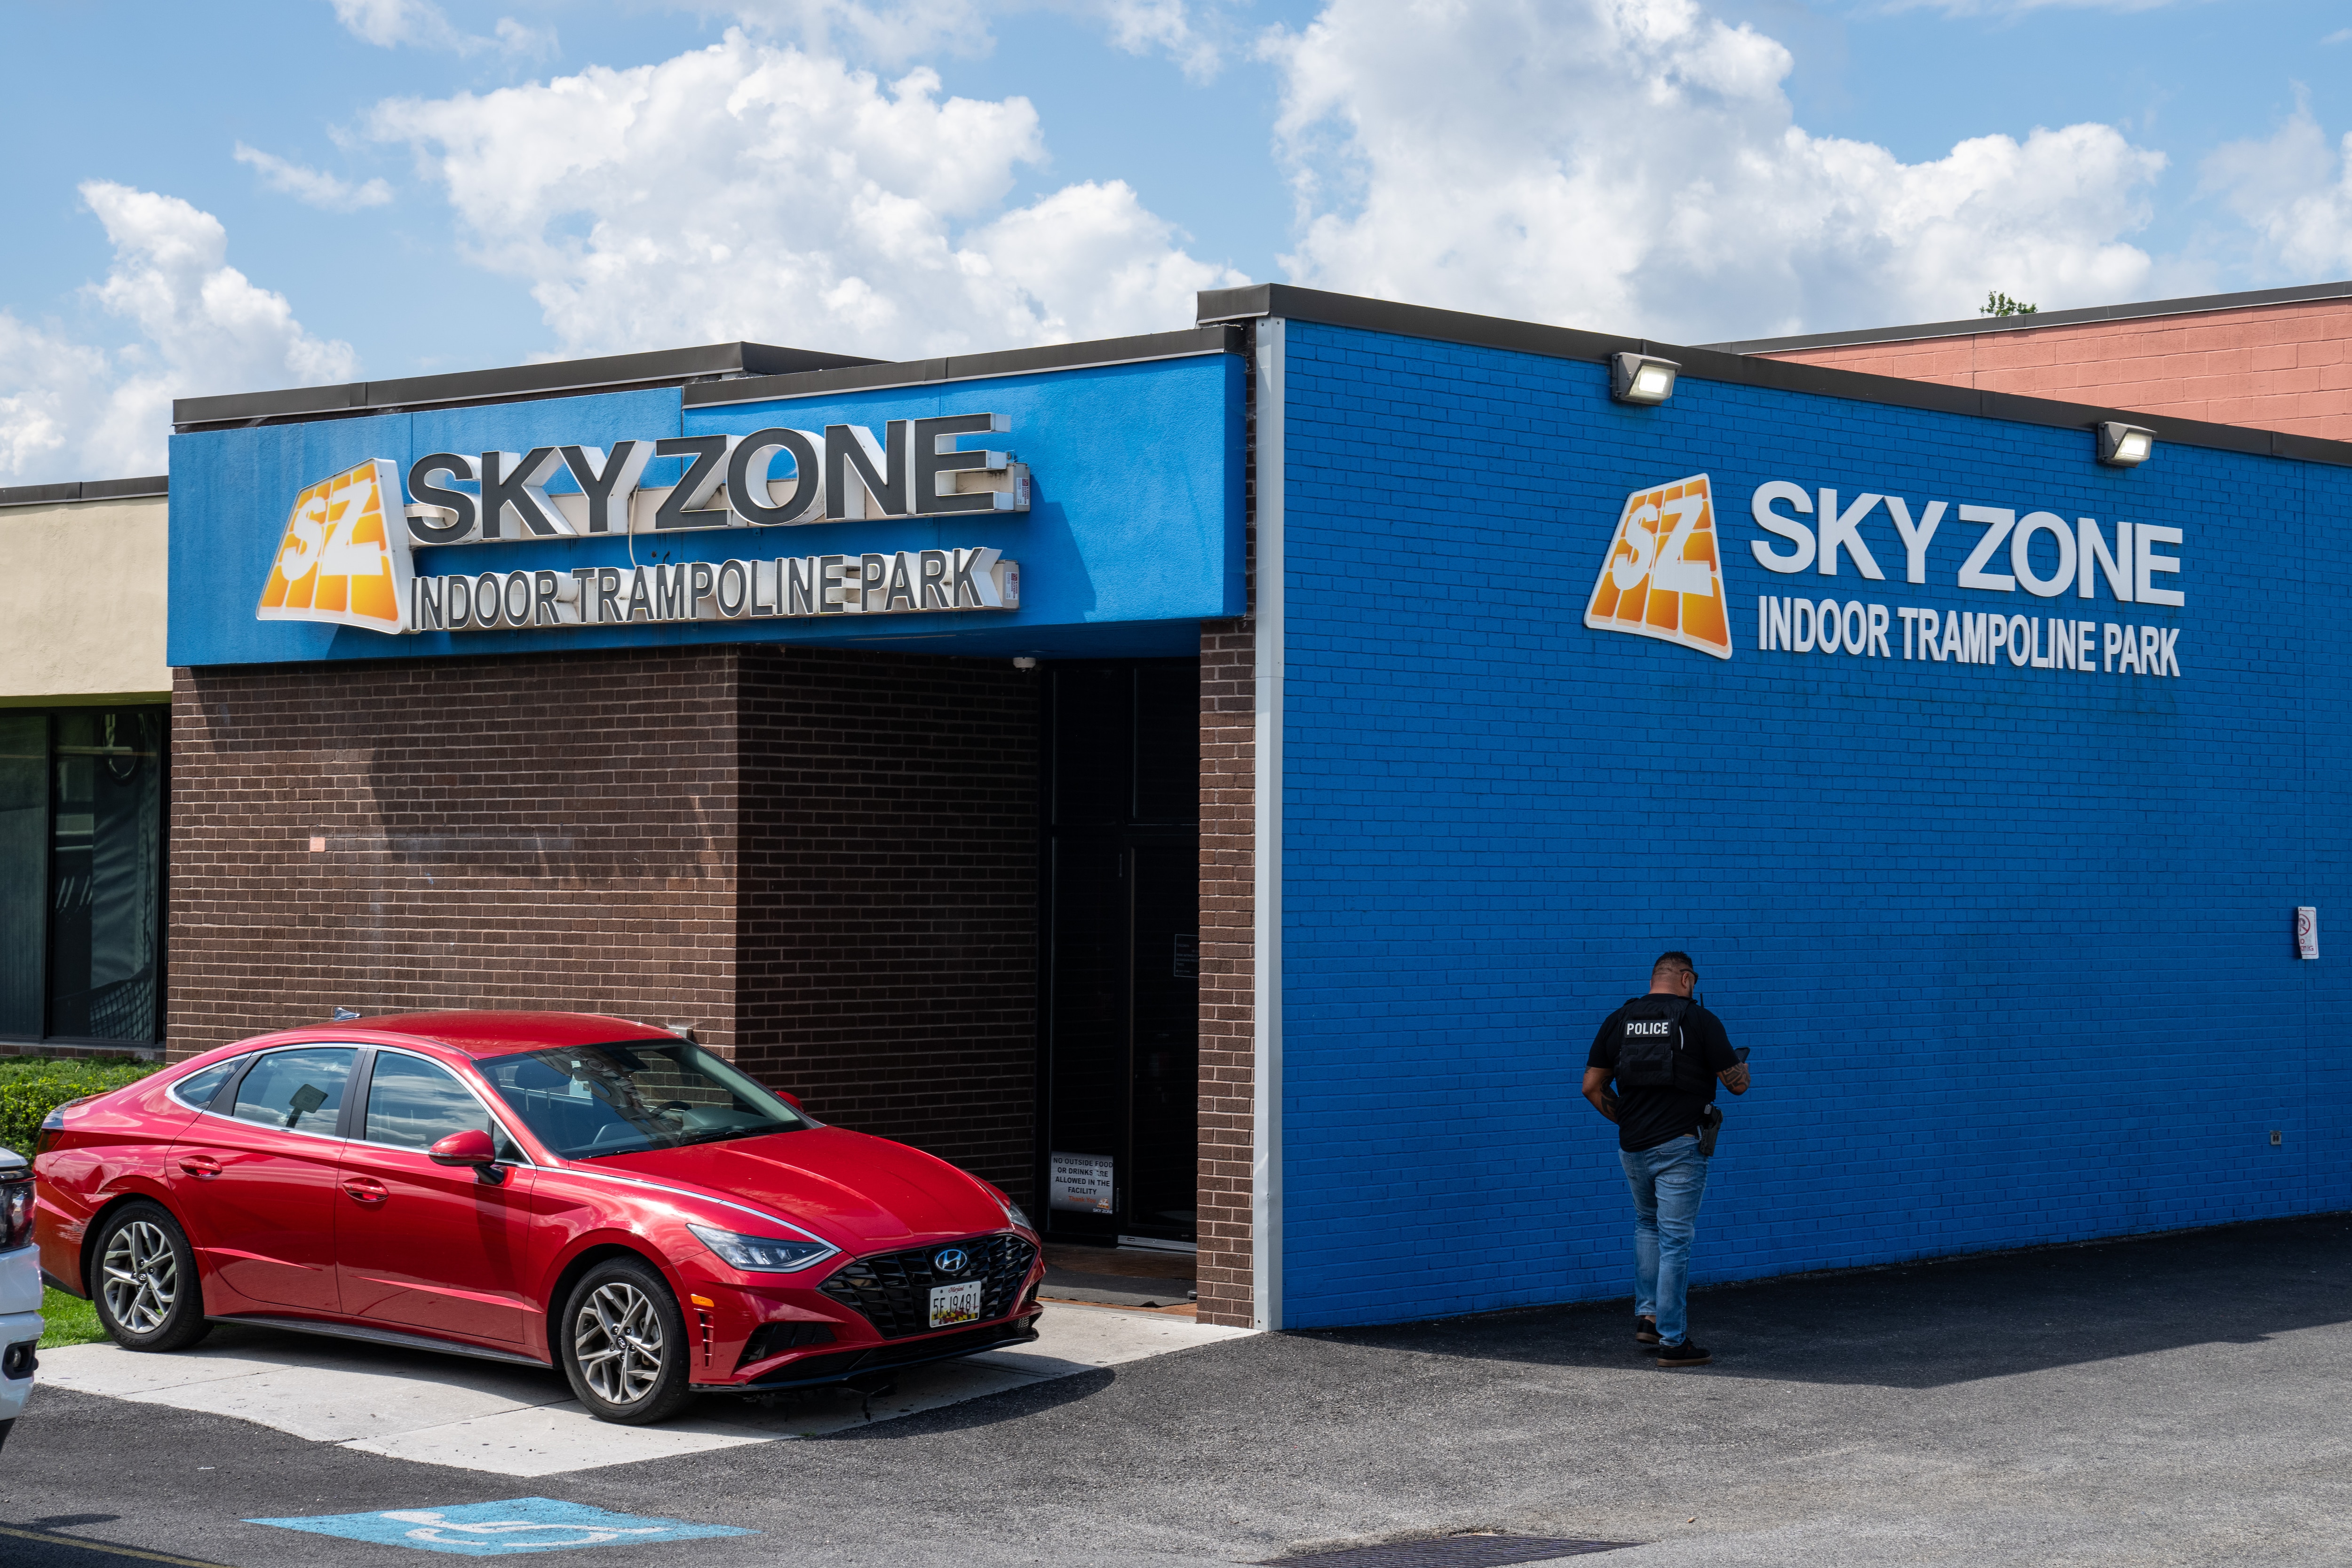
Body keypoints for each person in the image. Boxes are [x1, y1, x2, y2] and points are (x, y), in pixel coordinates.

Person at [1583, 950, 1750, 1368]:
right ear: (1688, 979)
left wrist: (1627, 1117)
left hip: (1633, 1146)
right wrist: (1736, 1068)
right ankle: (1673, 1343)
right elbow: (1738, 1086)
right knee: (1676, 1240)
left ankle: (1649, 1315)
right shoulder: (1698, 1020)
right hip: (1678, 1146)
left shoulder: (1619, 1019)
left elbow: (1591, 1086)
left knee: (1646, 1225)